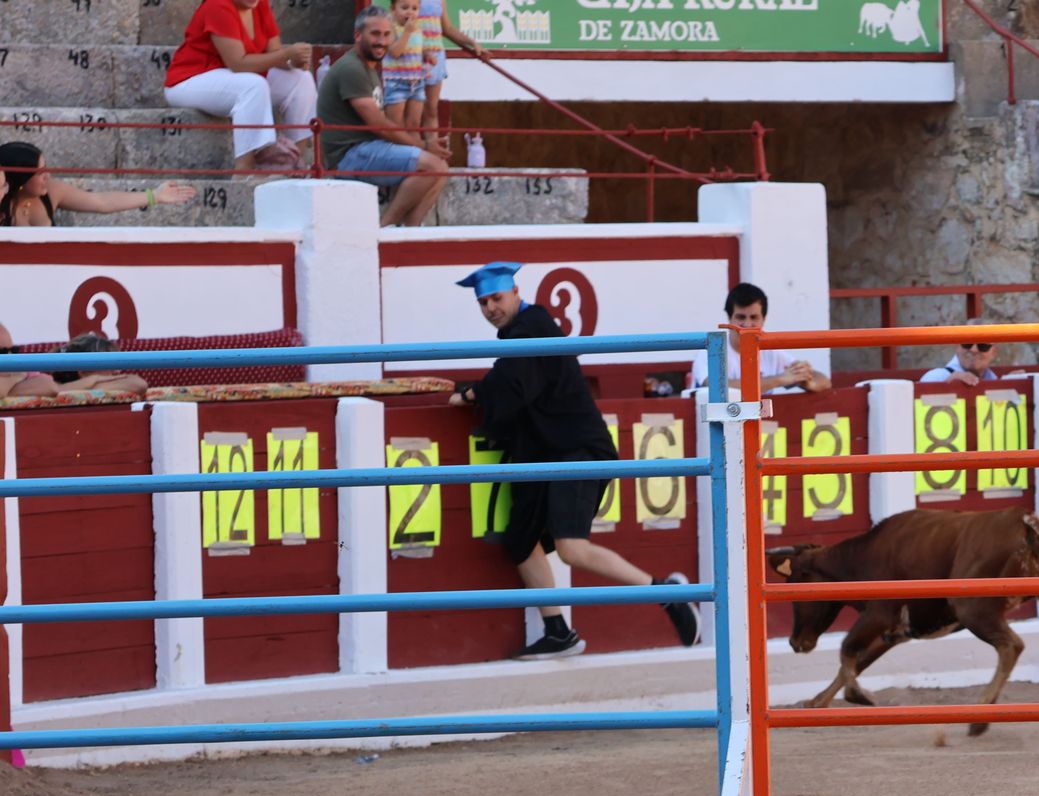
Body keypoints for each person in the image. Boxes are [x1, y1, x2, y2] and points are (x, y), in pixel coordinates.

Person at [447, 262, 701, 659]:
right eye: (483, 302)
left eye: (496, 297)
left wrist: (470, 395)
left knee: (571, 549)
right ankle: (558, 631)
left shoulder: (534, 324)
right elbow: (512, 380)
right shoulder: (519, 332)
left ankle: (667, 592)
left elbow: (512, 382)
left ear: (515, 292)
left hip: (576, 449)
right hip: (542, 453)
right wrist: (480, 391)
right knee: (520, 541)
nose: (490, 307)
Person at [317, 5, 449, 228]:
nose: (382, 41)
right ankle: (384, 229)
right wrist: (424, 145)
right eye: (375, 34)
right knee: (432, 165)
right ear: (358, 36)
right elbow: (379, 124)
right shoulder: (352, 68)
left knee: (441, 169)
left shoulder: (369, 68)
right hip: (348, 155)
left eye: (387, 34)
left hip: (366, 147)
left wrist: (425, 147)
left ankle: (411, 231)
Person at [163, 0, 317, 170]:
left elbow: (274, 53)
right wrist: (287, 54)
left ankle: (294, 162)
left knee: (301, 79)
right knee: (253, 85)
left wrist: (294, 61)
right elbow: (238, 63)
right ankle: (245, 169)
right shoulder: (217, 5)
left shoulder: (260, 5)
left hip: (232, 78)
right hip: (189, 81)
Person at [0, 142, 195, 227]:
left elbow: (100, 201)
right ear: (20, 179)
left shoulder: (52, 191)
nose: (47, 175)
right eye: (39, 172)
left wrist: (154, 195)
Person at [689, 283, 832, 394]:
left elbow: (824, 381)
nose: (747, 324)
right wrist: (780, 379)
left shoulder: (771, 352)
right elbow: (715, 387)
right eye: (740, 317)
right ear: (729, 319)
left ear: (763, 320)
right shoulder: (711, 350)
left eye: (754, 317)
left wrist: (805, 380)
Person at [418, 0, 486, 155]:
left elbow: (446, 28)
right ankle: (412, 155)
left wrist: (472, 43)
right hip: (412, 57)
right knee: (412, 114)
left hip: (436, 55)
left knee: (431, 110)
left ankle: (432, 152)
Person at [382, 0, 433, 138]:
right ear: (393, 8)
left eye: (414, 8)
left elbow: (417, 48)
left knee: (414, 125)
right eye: (404, 7)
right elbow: (395, 52)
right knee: (395, 127)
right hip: (396, 82)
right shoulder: (390, 28)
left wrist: (427, 55)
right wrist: (407, 32)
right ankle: (396, 157)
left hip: (417, 82)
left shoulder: (417, 29)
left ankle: (414, 156)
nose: (410, 12)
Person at [921, 321, 1002, 384]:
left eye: (983, 346)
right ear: (957, 346)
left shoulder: (997, 382)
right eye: (967, 343)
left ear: (994, 352)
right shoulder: (934, 378)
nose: (974, 350)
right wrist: (946, 387)